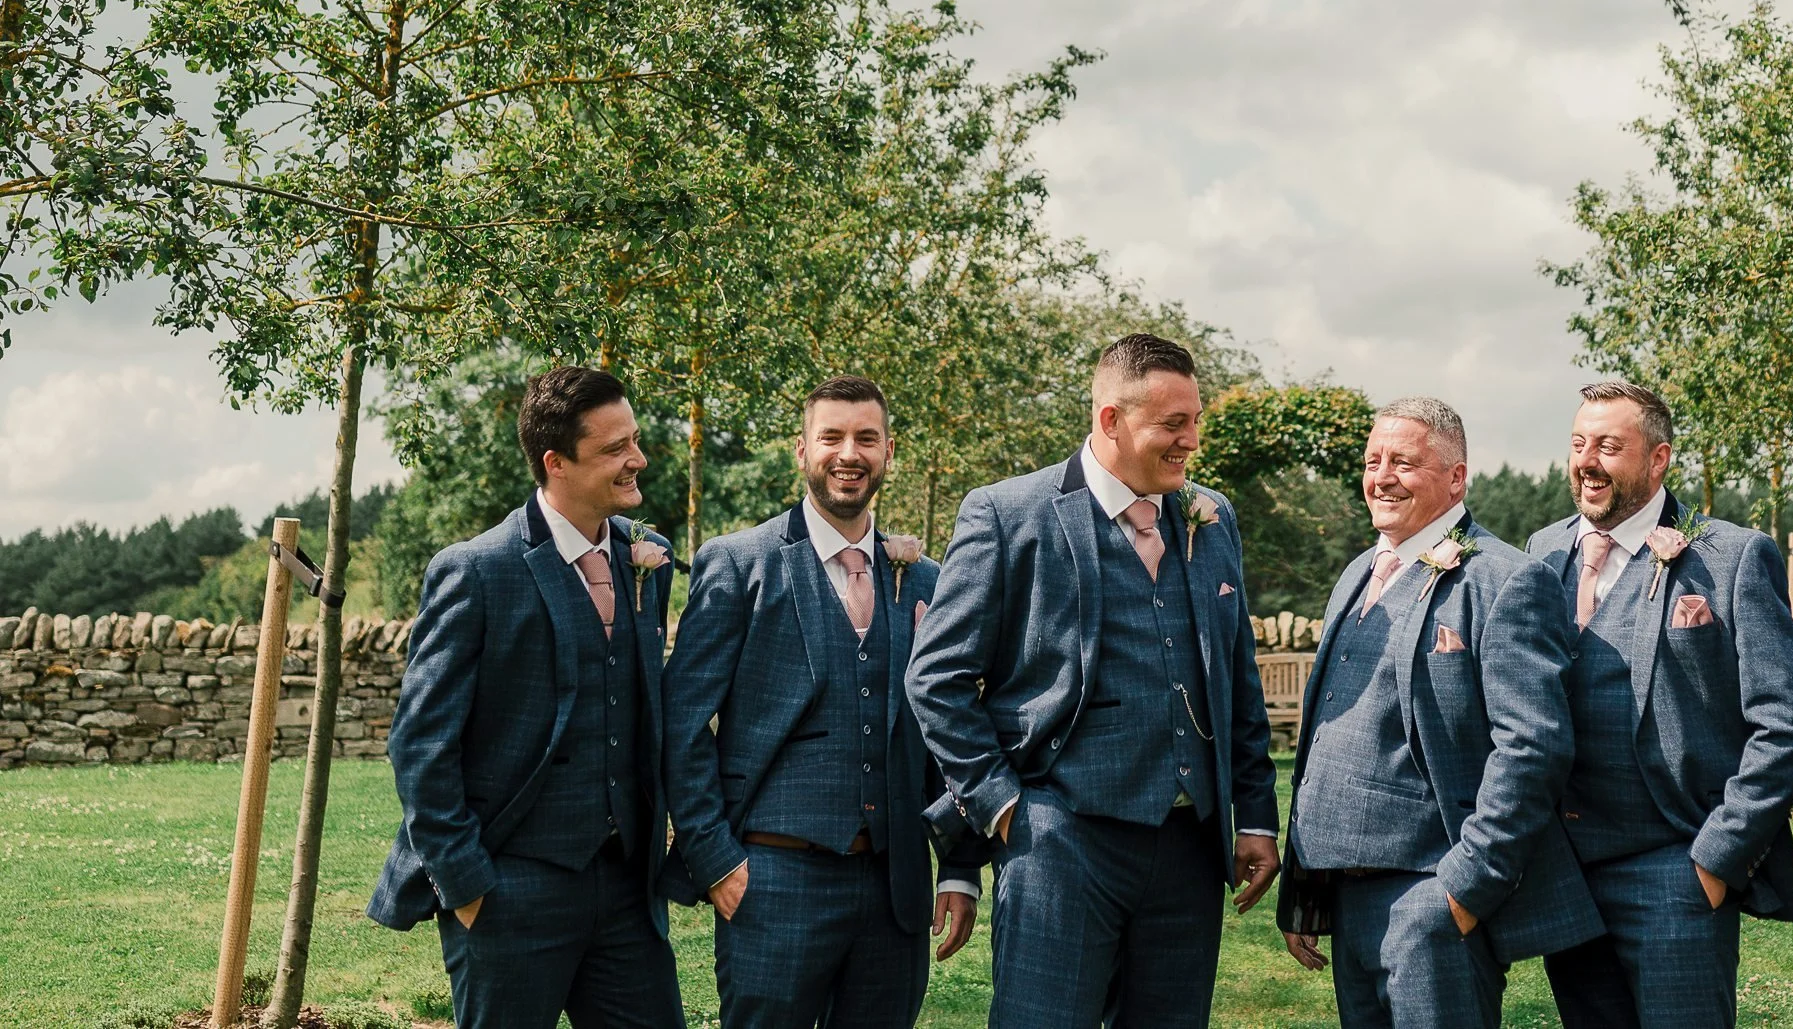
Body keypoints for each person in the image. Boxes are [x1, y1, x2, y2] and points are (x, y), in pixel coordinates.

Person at [905, 333, 1282, 1028]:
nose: (1191, 440)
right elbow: (936, 677)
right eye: (1173, 424)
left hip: (1188, 847)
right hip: (1060, 838)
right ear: (1110, 419)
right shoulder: (1008, 512)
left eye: (1194, 420)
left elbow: (1235, 678)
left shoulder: (1212, 517)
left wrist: (1254, 813)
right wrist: (1002, 805)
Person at [663, 375, 986, 1029]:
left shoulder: (926, 578)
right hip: (770, 879)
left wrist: (958, 865)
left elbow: (951, 726)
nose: (849, 452)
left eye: (866, 437)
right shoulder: (739, 563)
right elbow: (683, 722)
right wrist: (715, 858)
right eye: (831, 436)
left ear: (888, 451)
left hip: (895, 891)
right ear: (801, 449)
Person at [367, 366, 683, 1029]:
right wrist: (469, 886)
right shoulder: (477, 570)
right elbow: (419, 744)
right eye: (614, 448)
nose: (638, 458)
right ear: (555, 462)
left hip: (627, 889)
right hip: (509, 891)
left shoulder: (647, 557)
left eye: (636, 438)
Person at [1276, 397, 1598, 1029]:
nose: (1382, 477)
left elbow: (1532, 748)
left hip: (1433, 892)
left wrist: (1464, 889)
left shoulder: (1504, 579)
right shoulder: (1354, 576)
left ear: (1456, 477)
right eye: (1373, 461)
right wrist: (1308, 892)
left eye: (1404, 462)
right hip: (1344, 894)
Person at [1529, 381, 1793, 1029]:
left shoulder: (1731, 555)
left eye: (1608, 445)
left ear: (1658, 460)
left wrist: (1718, 856)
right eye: (1578, 443)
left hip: (1677, 865)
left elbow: (1787, 718)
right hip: (1567, 870)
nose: (1586, 459)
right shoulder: (1542, 552)